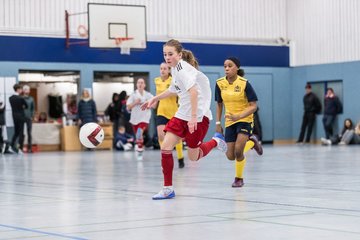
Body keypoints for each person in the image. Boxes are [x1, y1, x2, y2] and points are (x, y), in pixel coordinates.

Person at [141, 40, 227, 200]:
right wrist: (155, 98)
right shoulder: (175, 70)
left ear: (179, 55)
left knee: (193, 157)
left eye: (170, 54)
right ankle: (167, 189)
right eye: (165, 54)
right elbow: (173, 89)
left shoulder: (182, 69)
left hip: (198, 116)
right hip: (182, 114)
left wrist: (194, 118)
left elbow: (193, 92)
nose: (167, 57)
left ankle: (216, 141)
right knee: (166, 146)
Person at [215, 57, 263, 188]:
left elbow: (253, 106)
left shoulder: (244, 84)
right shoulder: (219, 83)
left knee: (238, 151)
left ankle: (238, 178)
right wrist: (218, 123)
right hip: (230, 122)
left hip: (245, 120)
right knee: (230, 156)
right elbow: (219, 104)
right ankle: (252, 142)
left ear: (237, 68)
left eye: (230, 66)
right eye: (225, 66)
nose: (227, 68)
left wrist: (240, 116)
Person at [154, 62, 185, 168]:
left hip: (173, 112)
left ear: (169, 70)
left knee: (177, 138)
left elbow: (178, 92)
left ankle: (180, 157)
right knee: (160, 135)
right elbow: (157, 95)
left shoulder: (173, 80)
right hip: (161, 111)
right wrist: (153, 103)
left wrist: (170, 92)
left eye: (165, 68)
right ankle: (165, 156)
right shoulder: (157, 81)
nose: (162, 70)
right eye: (161, 68)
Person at [126, 78, 154, 160]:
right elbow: (128, 107)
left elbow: (155, 103)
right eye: (138, 83)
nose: (140, 84)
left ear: (144, 85)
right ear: (136, 85)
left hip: (145, 118)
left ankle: (140, 149)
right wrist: (135, 102)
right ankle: (140, 147)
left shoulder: (148, 95)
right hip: (135, 119)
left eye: (142, 82)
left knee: (139, 133)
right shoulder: (133, 95)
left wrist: (149, 105)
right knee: (138, 136)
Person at [9, 83, 28, 153]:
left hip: (14, 117)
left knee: (16, 132)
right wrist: (22, 107)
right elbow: (26, 106)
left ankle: (11, 146)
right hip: (21, 117)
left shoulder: (10, 98)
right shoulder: (21, 98)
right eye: (21, 89)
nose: (21, 90)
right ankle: (20, 149)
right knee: (21, 133)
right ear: (18, 90)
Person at [22, 85, 35, 153]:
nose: (27, 91)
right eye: (26, 89)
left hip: (29, 118)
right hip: (22, 118)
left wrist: (32, 116)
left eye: (28, 89)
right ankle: (21, 148)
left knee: (29, 133)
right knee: (22, 133)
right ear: (23, 90)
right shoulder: (20, 98)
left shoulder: (31, 99)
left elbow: (33, 108)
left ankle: (29, 148)